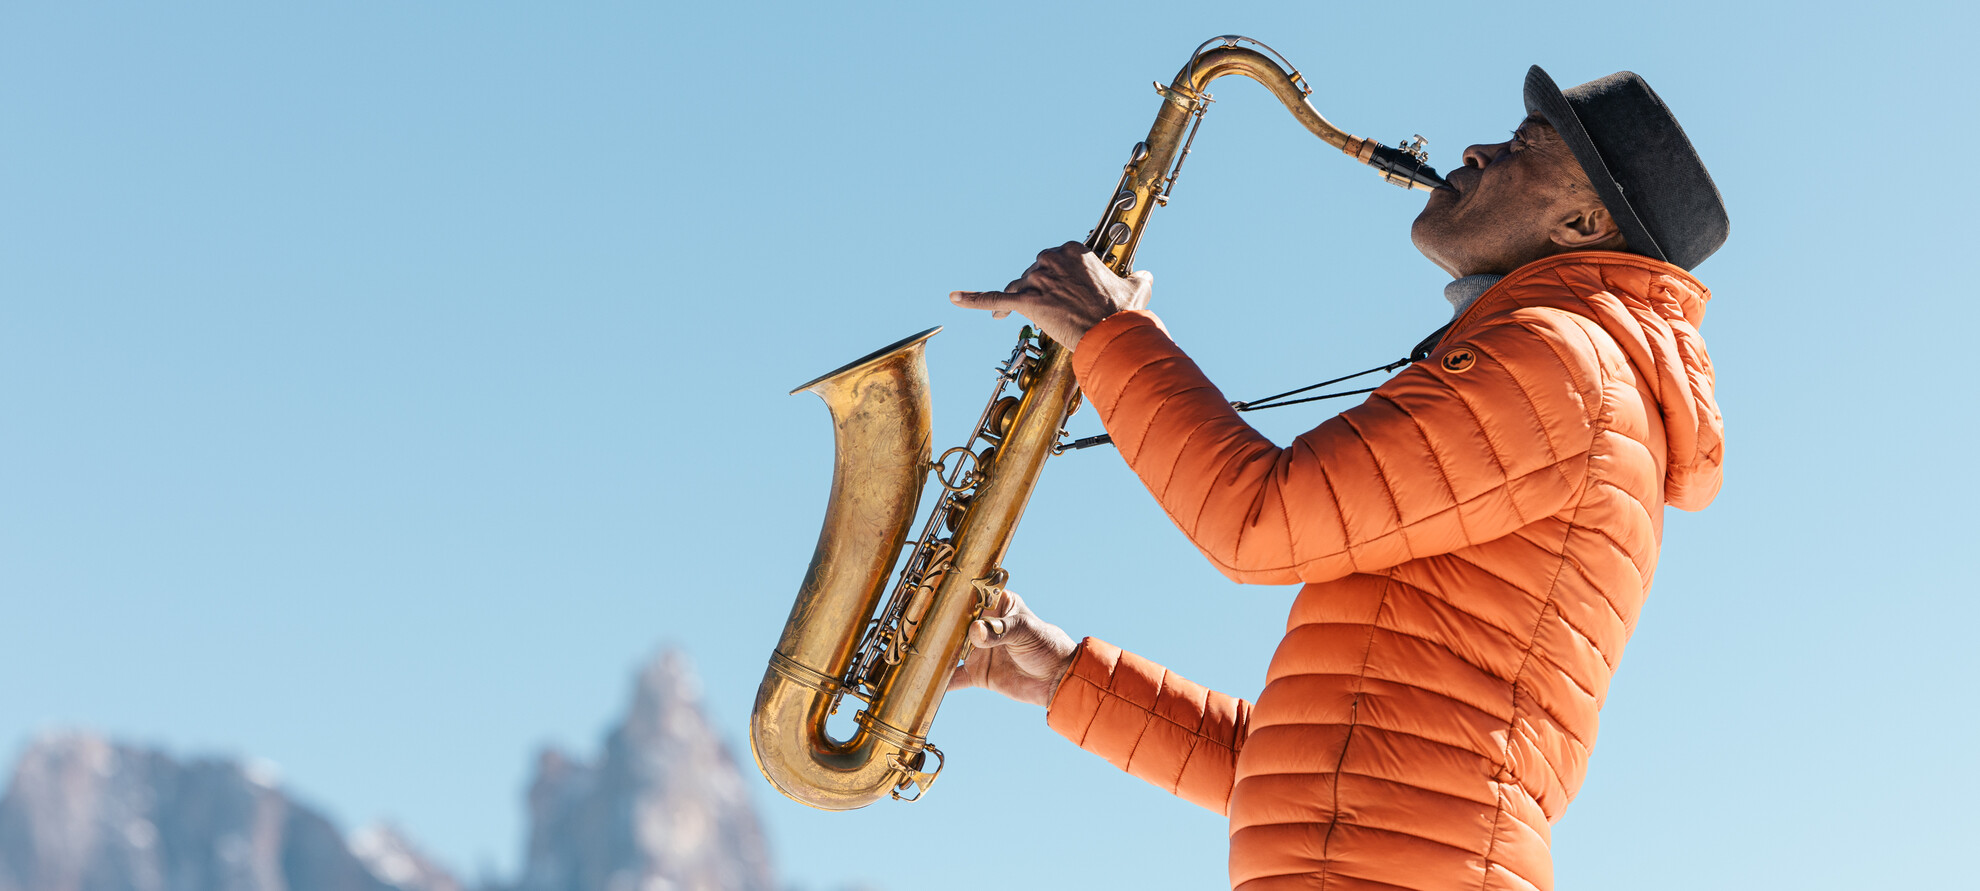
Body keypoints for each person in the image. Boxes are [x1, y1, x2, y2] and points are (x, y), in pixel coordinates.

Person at [946, 66, 1728, 891]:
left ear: (1582, 221)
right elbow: (1331, 766)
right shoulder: (1575, 372)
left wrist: (1111, 336)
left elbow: (1253, 522)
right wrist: (1059, 674)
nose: (1476, 149)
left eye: (1524, 146)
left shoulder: (1560, 365)